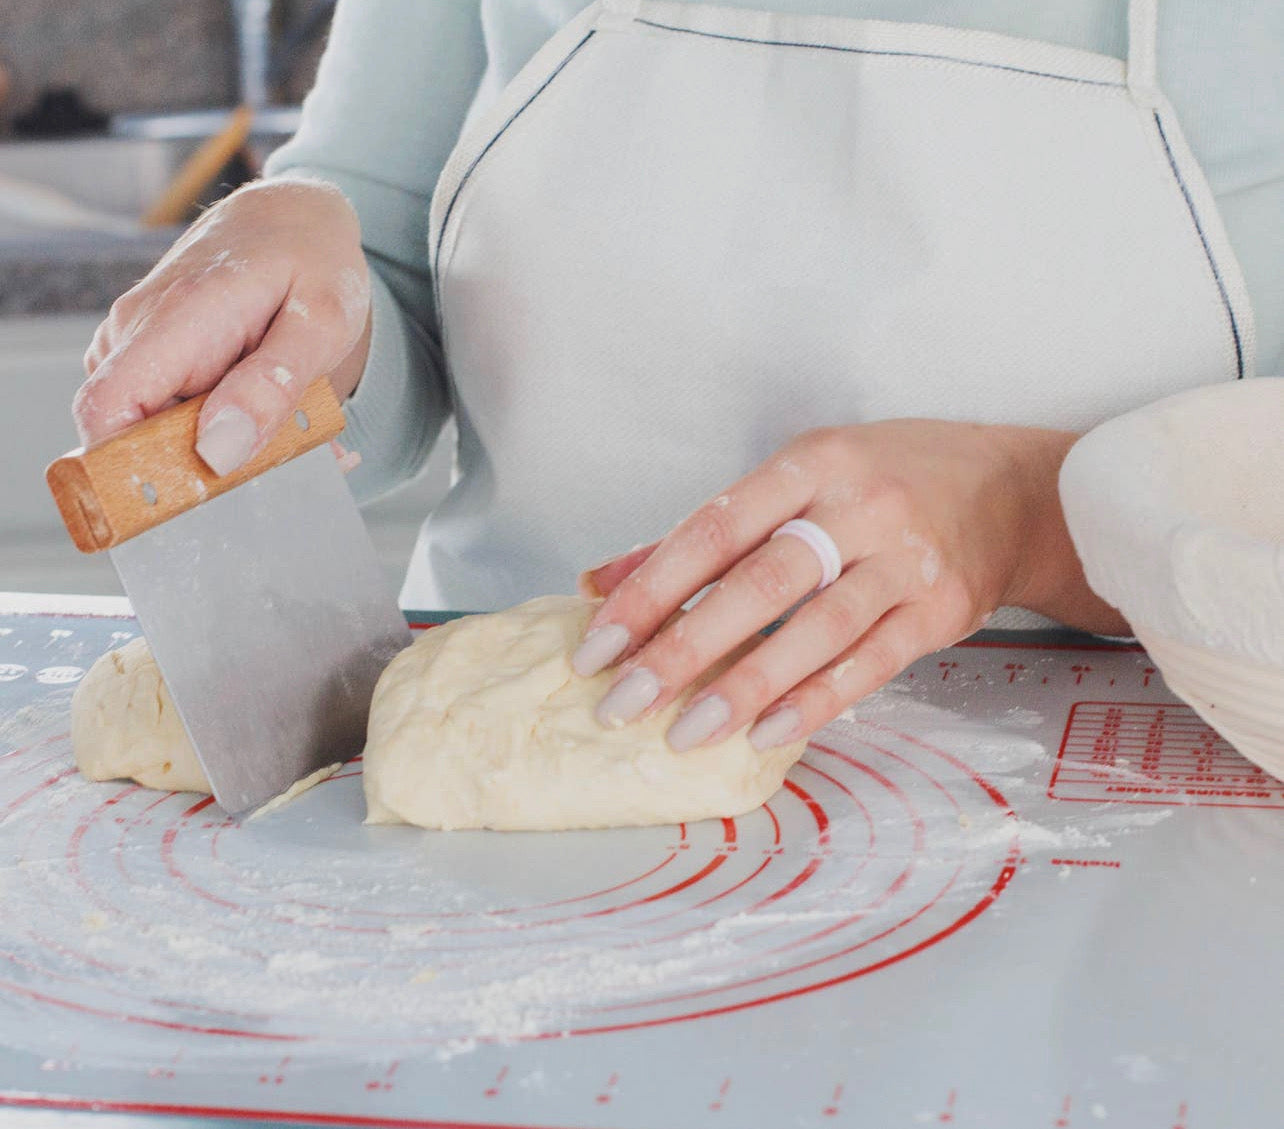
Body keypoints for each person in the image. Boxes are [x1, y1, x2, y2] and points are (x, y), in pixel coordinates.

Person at [72, 0, 1281, 756]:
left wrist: (1029, 516)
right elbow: (388, 258)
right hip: (494, 827)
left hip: (1124, 837)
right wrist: (301, 278)